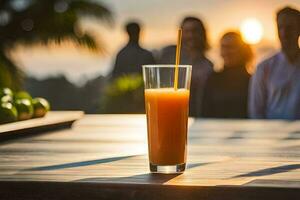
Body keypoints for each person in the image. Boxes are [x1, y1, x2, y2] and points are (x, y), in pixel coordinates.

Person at [249, 6, 300, 119]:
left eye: (289, 27)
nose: (284, 33)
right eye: (280, 27)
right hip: (272, 134)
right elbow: (256, 111)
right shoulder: (264, 67)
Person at [159, 16, 213, 117]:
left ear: (202, 34)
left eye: (195, 31)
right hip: (167, 115)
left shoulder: (208, 65)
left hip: (197, 118)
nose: (191, 35)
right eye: (187, 31)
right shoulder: (167, 55)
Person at [202, 32, 253, 118]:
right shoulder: (212, 79)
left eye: (231, 47)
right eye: (223, 47)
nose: (226, 52)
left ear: (243, 50)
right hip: (214, 130)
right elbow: (204, 114)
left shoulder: (252, 80)